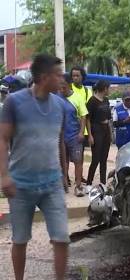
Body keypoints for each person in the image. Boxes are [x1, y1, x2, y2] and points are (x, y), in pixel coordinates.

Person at [0, 54, 69, 280]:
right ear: (43, 77)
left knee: (61, 237)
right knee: (20, 239)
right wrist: (4, 176)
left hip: (52, 184)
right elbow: (2, 139)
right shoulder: (14, 102)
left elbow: (58, 141)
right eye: (58, 75)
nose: (62, 79)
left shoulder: (60, 105)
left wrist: (64, 174)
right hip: (20, 185)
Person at [58, 74, 88, 197]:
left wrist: (81, 132)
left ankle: (78, 186)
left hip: (74, 136)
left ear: (69, 85)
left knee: (77, 161)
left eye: (63, 87)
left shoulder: (77, 98)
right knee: (62, 162)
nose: (61, 89)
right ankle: (64, 183)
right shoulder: (56, 98)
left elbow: (83, 116)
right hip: (60, 137)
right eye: (60, 87)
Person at [86, 80, 112, 189]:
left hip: (106, 129)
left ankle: (103, 183)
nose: (109, 90)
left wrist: (110, 132)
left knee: (104, 159)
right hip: (96, 129)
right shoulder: (92, 101)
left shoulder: (106, 100)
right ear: (104, 88)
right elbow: (87, 118)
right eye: (108, 88)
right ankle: (89, 182)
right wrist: (90, 135)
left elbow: (109, 118)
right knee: (96, 158)